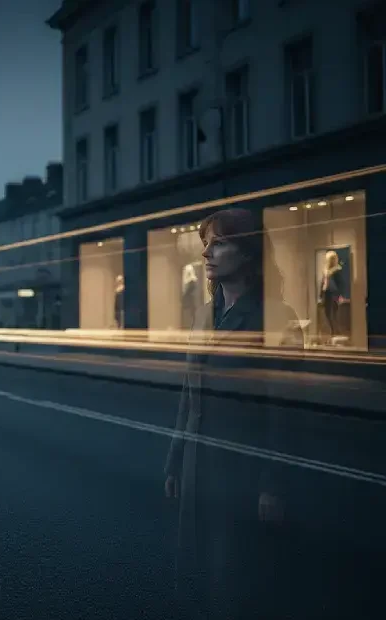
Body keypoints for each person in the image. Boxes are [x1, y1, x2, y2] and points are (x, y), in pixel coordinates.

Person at [163, 208, 303, 619]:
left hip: (239, 471)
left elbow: (285, 411)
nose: (207, 253)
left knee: (233, 580)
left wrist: (273, 483)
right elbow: (189, 397)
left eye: (219, 243)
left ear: (248, 252)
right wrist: (174, 459)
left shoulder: (276, 319)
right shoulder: (204, 316)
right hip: (196, 467)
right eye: (206, 243)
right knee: (194, 575)